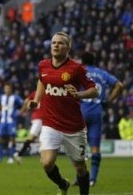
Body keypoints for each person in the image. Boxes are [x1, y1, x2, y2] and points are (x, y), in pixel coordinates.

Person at [28, 32, 99, 195]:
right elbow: (42, 80)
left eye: (60, 43)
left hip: (74, 127)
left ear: (68, 48)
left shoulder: (76, 68)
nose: (56, 45)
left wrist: (79, 94)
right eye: (54, 43)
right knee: (46, 163)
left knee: (80, 168)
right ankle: (63, 184)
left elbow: (94, 90)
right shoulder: (43, 65)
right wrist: (37, 100)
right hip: (51, 124)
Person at [74, 52, 124, 186]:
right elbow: (119, 85)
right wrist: (109, 100)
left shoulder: (80, 71)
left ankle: (80, 177)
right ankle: (92, 179)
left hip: (81, 112)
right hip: (97, 112)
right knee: (95, 147)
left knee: (79, 147)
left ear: (83, 61)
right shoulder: (103, 73)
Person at [0, 83, 23, 164]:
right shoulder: (1, 97)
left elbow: (24, 103)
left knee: (12, 139)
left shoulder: (15, 97)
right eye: (5, 89)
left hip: (11, 121)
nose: (7, 90)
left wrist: (20, 112)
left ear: (11, 89)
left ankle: (11, 158)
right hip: (2, 121)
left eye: (8, 88)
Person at [14, 90, 43, 164]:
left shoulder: (35, 92)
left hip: (43, 118)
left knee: (42, 138)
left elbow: (26, 101)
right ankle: (19, 154)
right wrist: (23, 110)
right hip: (39, 118)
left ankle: (42, 156)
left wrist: (23, 110)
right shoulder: (47, 92)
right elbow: (26, 101)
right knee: (32, 137)